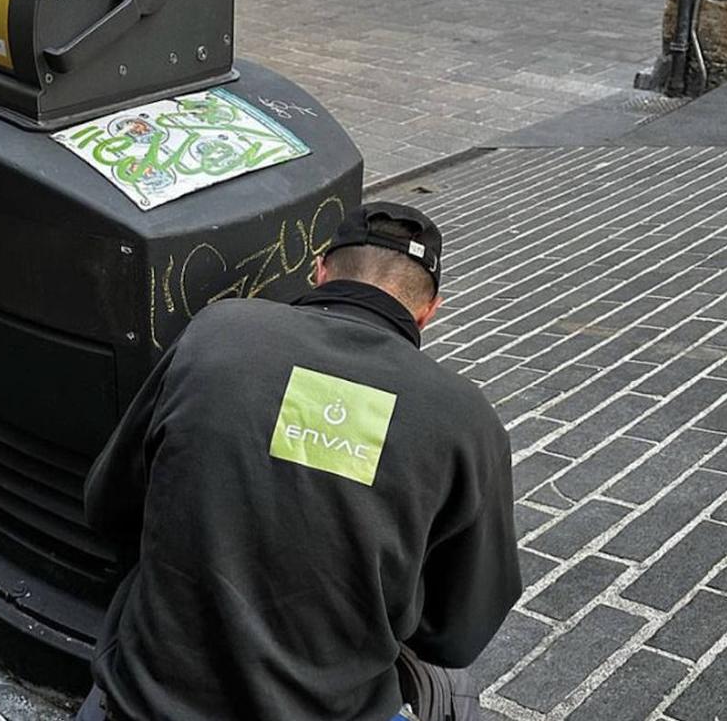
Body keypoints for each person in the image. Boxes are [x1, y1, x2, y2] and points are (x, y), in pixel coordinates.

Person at [79, 202, 521, 721]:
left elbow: (108, 506)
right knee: (455, 691)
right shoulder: (464, 419)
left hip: (145, 703)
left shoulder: (217, 333)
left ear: (319, 270)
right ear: (429, 310)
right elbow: (458, 634)